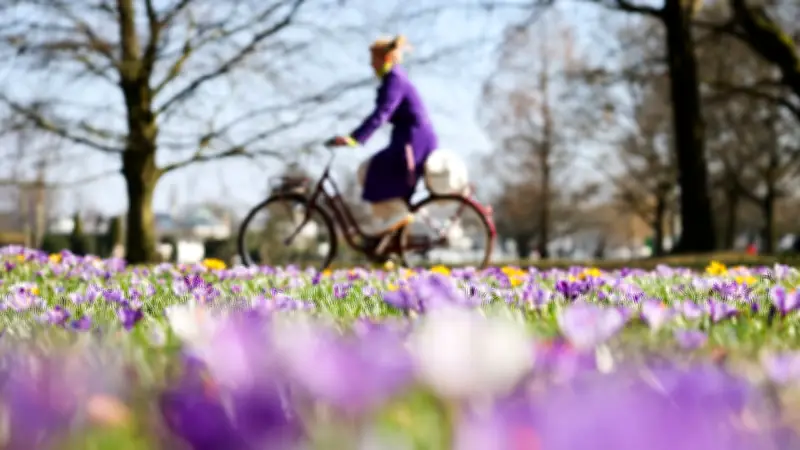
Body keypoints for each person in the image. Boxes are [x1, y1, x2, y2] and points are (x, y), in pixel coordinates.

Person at [327, 34, 438, 235]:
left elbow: (382, 113)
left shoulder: (394, 79)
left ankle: (398, 218)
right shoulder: (394, 78)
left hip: (413, 141)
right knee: (379, 180)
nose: (371, 65)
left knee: (370, 171)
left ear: (384, 59)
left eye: (373, 60)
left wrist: (356, 138)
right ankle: (391, 238)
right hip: (409, 138)